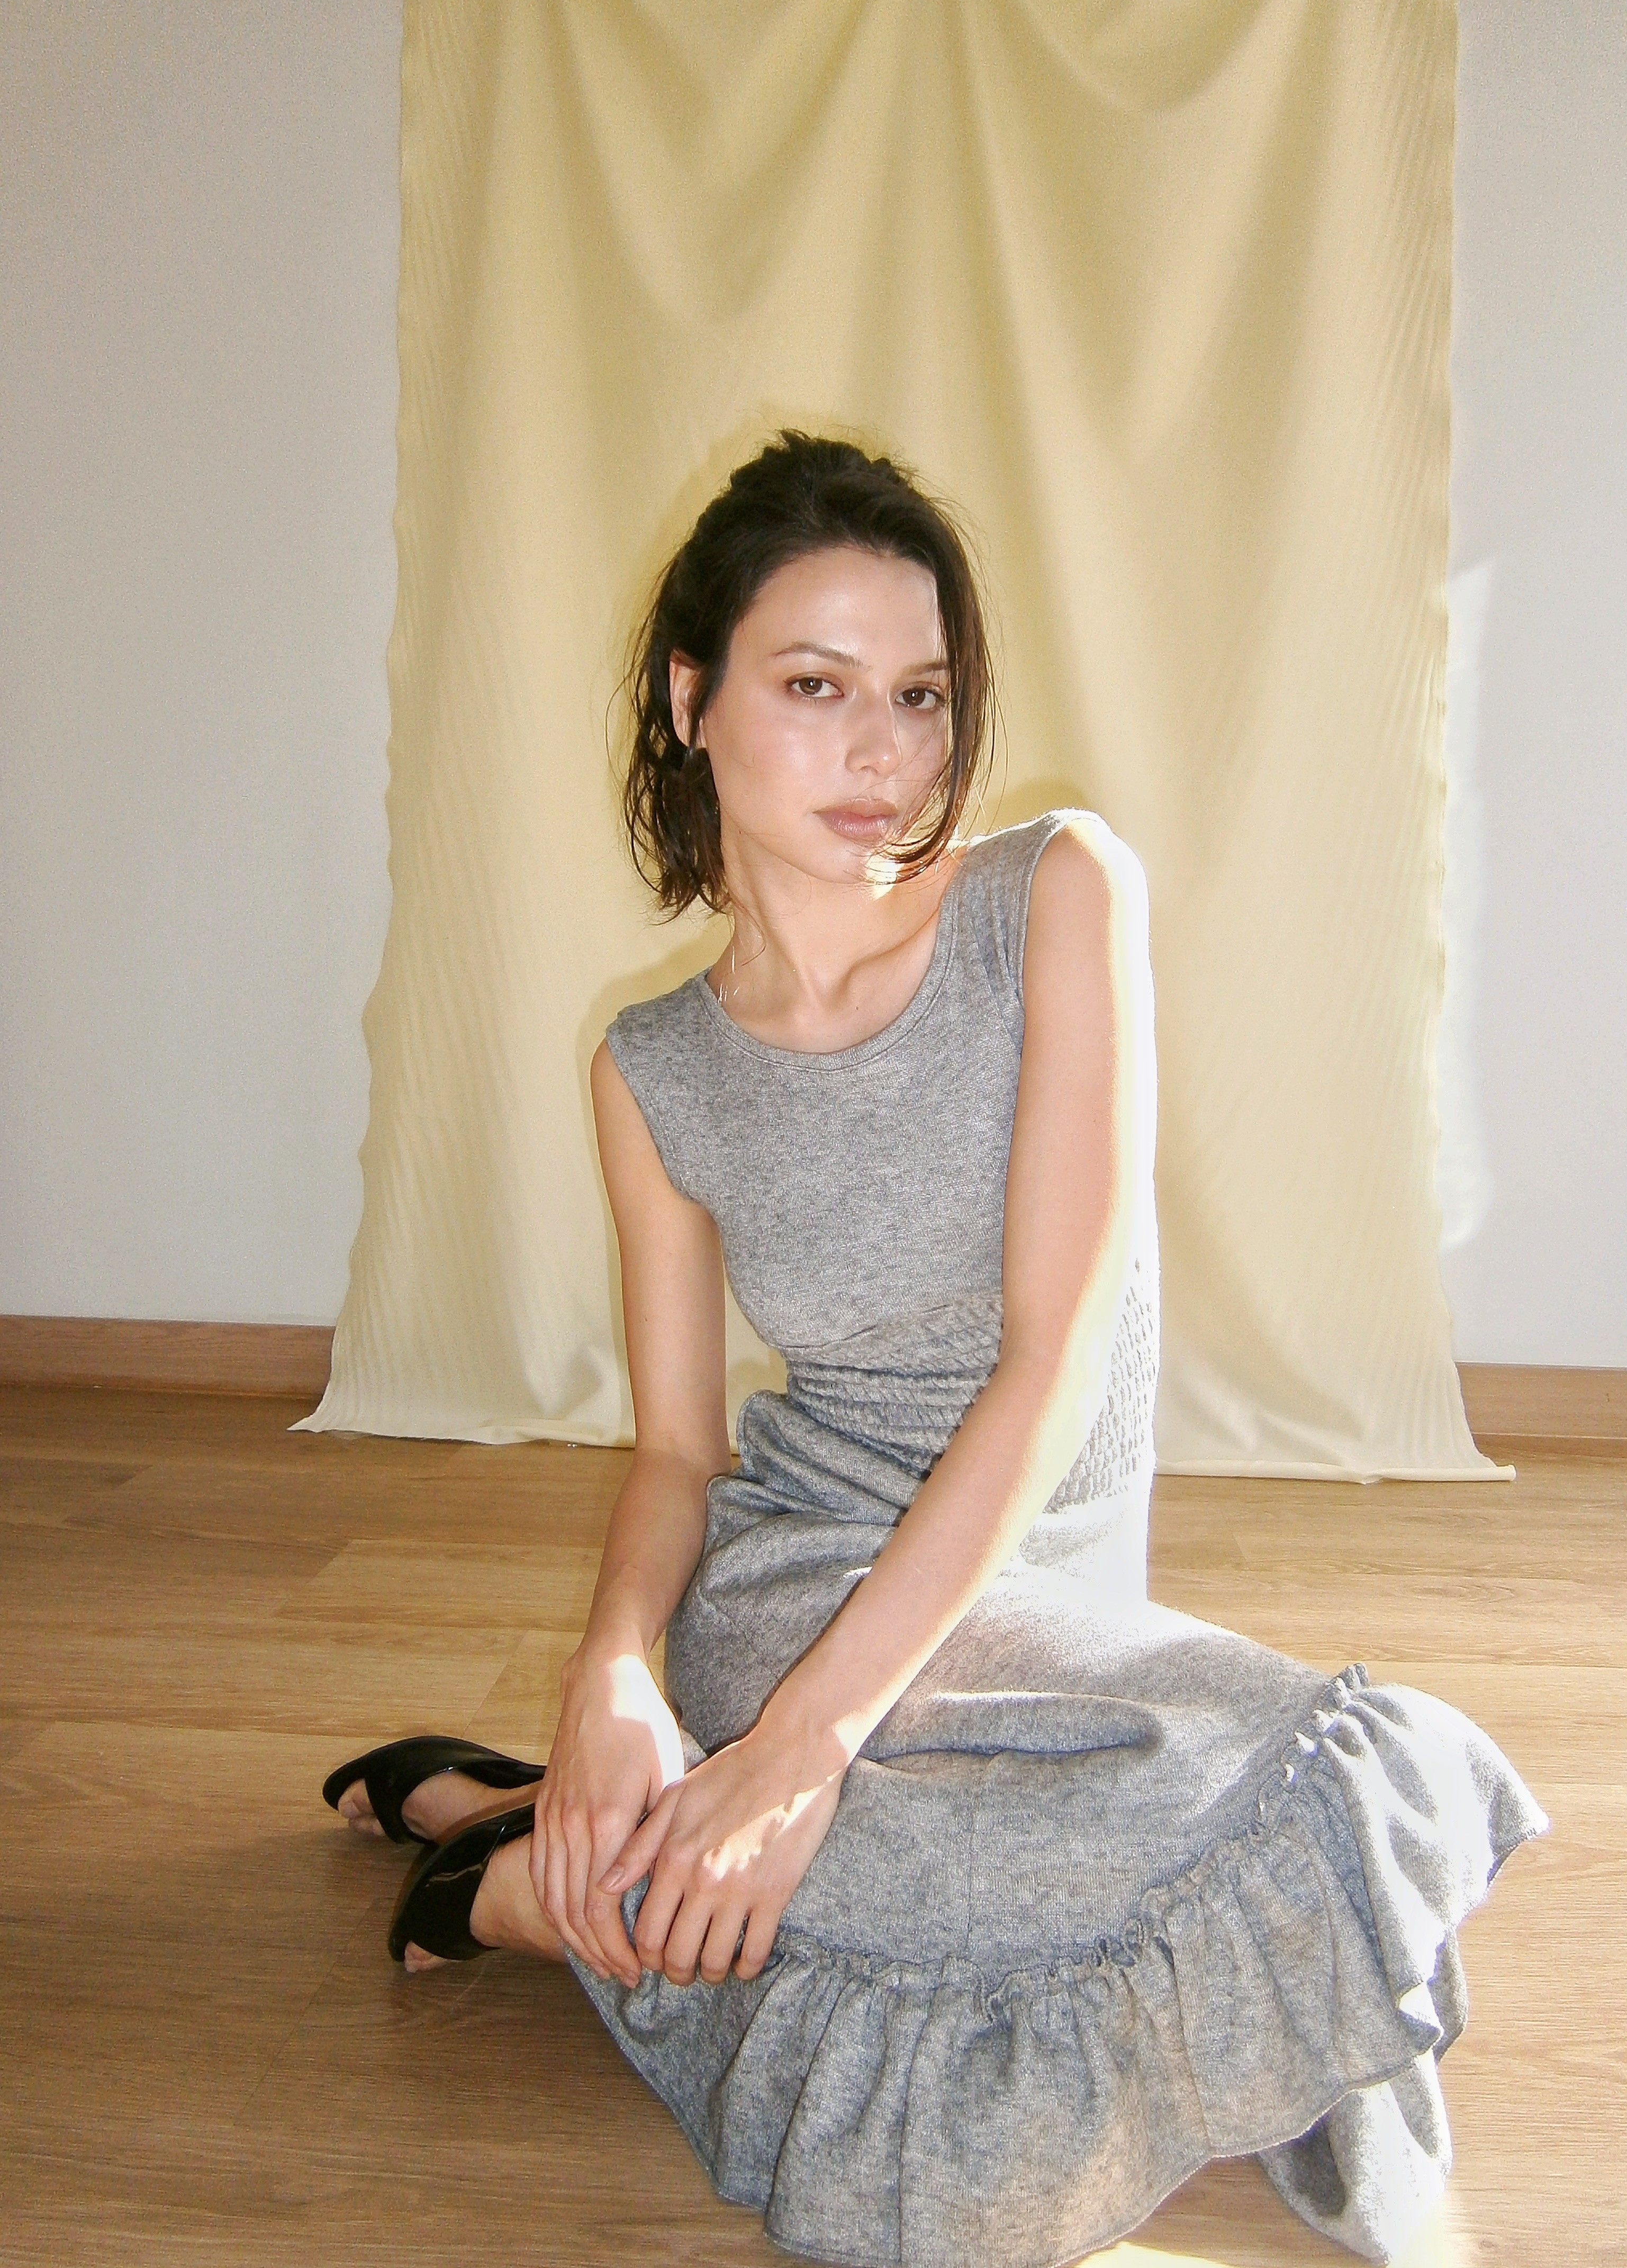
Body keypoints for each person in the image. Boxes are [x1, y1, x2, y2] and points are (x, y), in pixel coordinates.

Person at [322, 433, 1545, 2268]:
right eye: (815, 687)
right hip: (798, 1576)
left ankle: (534, 1870)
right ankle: (602, 1824)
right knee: (1006, 2015)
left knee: (1331, 1786)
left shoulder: (1054, 895)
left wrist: (800, 1757)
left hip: (1036, 1592)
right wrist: (617, 1675)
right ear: (691, 700)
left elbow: (1052, 1358)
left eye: (921, 695)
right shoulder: (653, 1071)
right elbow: (678, 1455)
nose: (884, 750)